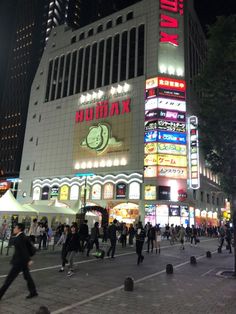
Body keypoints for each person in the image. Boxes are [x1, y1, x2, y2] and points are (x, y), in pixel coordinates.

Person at [0, 223, 38, 300]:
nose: (14, 229)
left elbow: (23, 251)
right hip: (23, 261)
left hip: (19, 262)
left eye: (15, 228)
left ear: (19, 229)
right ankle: (33, 292)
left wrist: (28, 260)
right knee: (27, 276)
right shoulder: (22, 236)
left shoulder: (19, 238)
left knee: (9, 279)